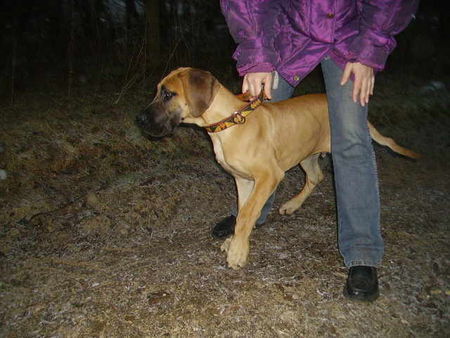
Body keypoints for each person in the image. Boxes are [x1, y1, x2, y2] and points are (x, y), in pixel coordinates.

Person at [216, 0, 419, 302]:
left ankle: (362, 251)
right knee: (257, 124)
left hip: (352, 36)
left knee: (350, 140)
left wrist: (370, 48)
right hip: (288, 32)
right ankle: (251, 215)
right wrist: (257, 53)